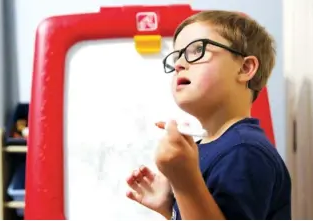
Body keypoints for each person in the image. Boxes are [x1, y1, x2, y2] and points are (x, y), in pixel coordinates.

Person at [125, 10, 291, 220]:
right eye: (177, 56)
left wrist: (184, 183)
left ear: (245, 68)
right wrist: (170, 207)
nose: (179, 64)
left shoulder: (244, 151)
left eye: (196, 50)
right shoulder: (208, 146)